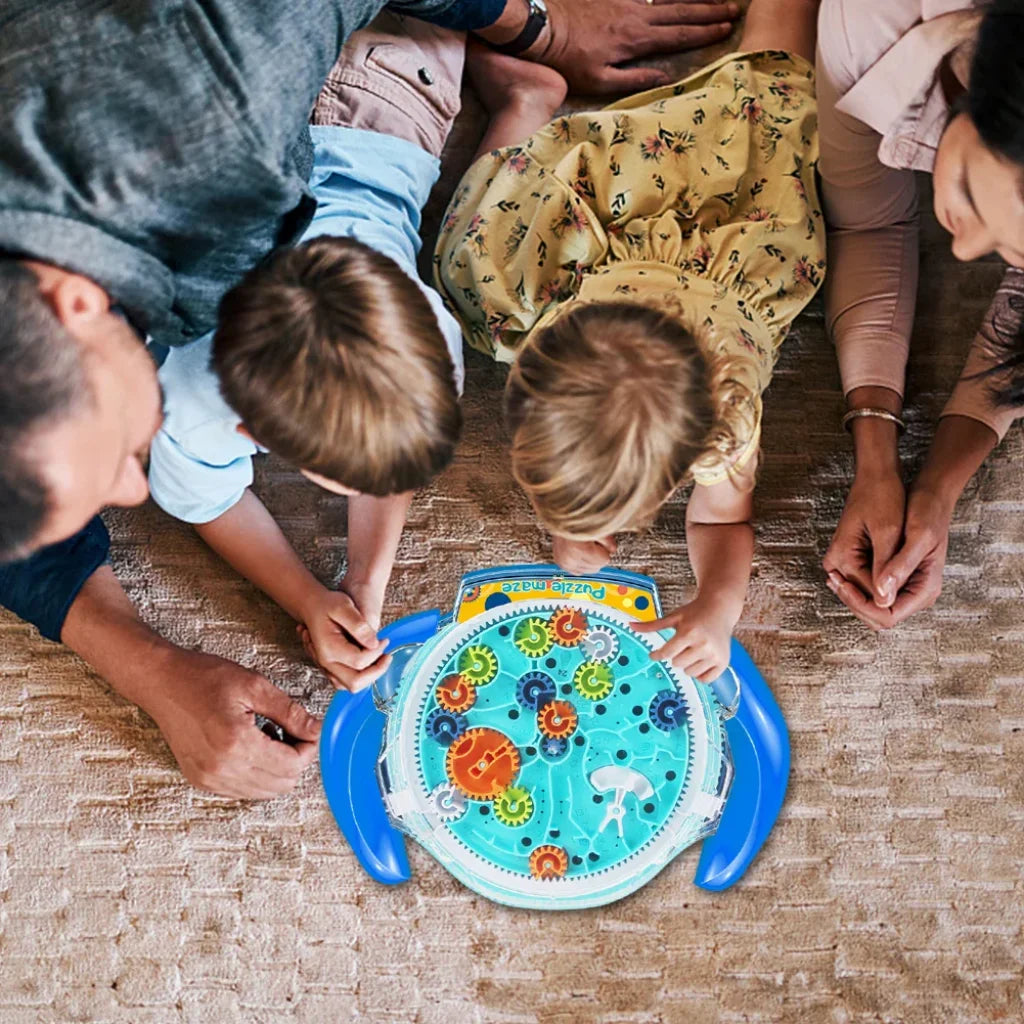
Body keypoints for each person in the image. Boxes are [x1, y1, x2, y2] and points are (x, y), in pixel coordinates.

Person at [0, 0, 743, 800]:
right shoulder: (211, 345)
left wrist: (537, 24)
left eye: (109, 462)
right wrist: (152, 669)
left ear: (69, 302)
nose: (134, 491)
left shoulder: (223, 97)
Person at [435, 0, 824, 682]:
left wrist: (719, 605)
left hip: (712, 227)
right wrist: (567, 521)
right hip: (624, 205)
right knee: (468, 269)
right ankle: (526, 103)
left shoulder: (726, 422)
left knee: (774, 91)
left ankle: (529, 102)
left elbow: (722, 525)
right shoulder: (552, 306)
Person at [149, 14, 467, 693]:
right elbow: (205, 503)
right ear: (250, 431)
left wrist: (365, 579)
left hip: (367, 97)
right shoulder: (188, 394)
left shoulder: (431, 342)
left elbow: (392, 452)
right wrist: (305, 595)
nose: (378, 491)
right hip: (376, 91)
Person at [818, 0, 1024, 628]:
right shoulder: (870, 22)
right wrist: (873, 453)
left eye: (1013, 251)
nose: (962, 252)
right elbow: (870, 225)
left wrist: (934, 493)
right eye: (963, 186)